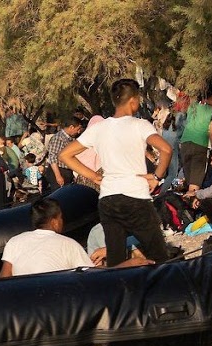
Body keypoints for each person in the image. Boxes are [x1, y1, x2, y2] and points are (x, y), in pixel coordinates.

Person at [60, 78, 175, 266]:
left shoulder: (98, 128)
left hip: (108, 199)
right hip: (135, 196)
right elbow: (166, 149)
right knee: (159, 256)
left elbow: (65, 155)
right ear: (133, 101)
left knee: (116, 258)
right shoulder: (139, 125)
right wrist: (156, 177)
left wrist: (94, 176)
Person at [0, 198, 152, 277]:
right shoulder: (68, 244)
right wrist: (129, 264)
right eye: (61, 217)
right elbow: (94, 275)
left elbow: (5, 276)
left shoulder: (15, 241)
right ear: (54, 221)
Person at [180, 84, 212, 195]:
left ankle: (185, 202)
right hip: (200, 145)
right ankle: (191, 203)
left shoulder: (193, 107)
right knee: (194, 186)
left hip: (185, 143)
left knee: (189, 180)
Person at [44, 115, 85, 192]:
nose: (78, 132)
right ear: (71, 127)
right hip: (59, 170)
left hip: (67, 171)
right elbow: (52, 157)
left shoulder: (71, 138)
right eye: (78, 129)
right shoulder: (58, 138)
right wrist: (58, 176)